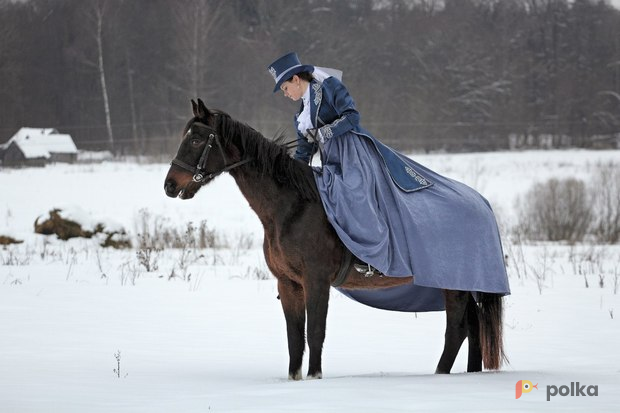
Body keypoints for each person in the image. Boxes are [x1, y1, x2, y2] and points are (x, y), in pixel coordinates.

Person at [268, 52, 509, 311]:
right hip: (332, 162)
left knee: (354, 195)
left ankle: (370, 258)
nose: (285, 94)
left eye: (285, 88)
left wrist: (325, 131)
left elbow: (352, 117)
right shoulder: (301, 114)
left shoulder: (329, 88)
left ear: (295, 79)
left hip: (355, 154)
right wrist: (292, 178)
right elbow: (304, 152)